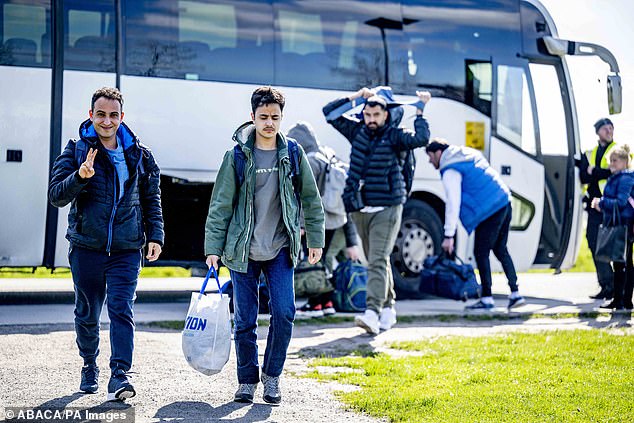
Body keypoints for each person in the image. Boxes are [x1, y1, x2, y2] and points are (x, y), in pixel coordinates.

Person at [204, 87, 324, 405]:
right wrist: (213, 248)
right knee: (245, 320)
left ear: (281, 118)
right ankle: (246, 380)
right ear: (252, 117)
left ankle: (271, 376)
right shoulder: (237, 157)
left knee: (284, 314)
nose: (269, 123)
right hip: (242, 250)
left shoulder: (293, 155)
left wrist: (315, 239)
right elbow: (220, 205)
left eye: (275, 117)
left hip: (280, 248)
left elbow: (311, 200)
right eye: (263, 117)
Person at [48, 87, 164, 401]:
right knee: (87, 313)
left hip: (126, 248)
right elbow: (56, 196)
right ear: (91, 115)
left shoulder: (139, 153)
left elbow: (151, 198)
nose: (107, 121)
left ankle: (119, 375)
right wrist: (80, 177)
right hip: (87, 247)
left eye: (113, 115)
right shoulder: (75, 150)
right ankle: (89, 364)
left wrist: (155, 236)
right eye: (101, 114)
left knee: (121, 310)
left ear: (122, 117)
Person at [323, 87, 431, 335]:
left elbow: (422, 139)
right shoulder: (357, 131)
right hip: (361, 208)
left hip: (388, 208)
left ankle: (371, 312)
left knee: (377, 260)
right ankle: (389, 308)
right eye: (367, 114)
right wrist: (355, 97)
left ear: (386, 115)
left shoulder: (395, 136)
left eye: (376, 115)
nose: (371, 120)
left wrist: (420, 111)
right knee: (377, 261)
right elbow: (329, 113)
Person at [425, 138, 525, 311]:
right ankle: (515, 293)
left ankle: (487, 298)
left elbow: (453, 202)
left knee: (481, 252)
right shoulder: (466, 154)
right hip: (504, 200)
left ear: (438, 153)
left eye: (430, 156)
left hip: (489, 210)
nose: (429, 161)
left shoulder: (450, 168)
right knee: (500, 249)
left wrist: (449, 235)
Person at [286, 121, 360, 317]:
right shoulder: (328, 154)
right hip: (335, 218)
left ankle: (315, 304)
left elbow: (305, 196)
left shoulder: (309, 160)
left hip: (317, 220)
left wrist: (301, 225)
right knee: (323, 261)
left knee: (315, 261)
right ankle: (326, 303)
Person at [577, 118, 618, 301]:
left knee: (613, 247)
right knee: (594, 243)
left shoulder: (619, 149)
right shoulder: (590, 153)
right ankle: (606, 285)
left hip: (612, 206)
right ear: (597, 132)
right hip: (594, 207)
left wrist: (596, 171)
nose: (609, 131)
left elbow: (615, 170)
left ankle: (616, 287)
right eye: (605, 128)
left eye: (611, 128)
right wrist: (601, 171)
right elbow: (584, 176)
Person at [591, 144, 634, 310]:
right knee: (621, 262)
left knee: (622, 263)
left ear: (624, 161)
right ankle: (622, 300)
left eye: (615, 160)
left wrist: (600, 203)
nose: (611, 164)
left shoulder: (625, 178)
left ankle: (621, 300)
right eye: (610, 161)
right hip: (620, 223)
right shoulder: (618, 177)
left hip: (625, 224)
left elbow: (621, 202)